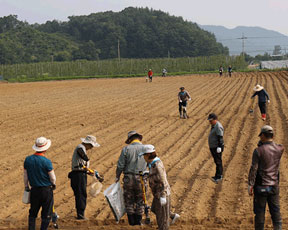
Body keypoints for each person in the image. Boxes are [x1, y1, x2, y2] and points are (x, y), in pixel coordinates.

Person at [248, 125, 283, 230]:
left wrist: (250, 184)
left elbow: (254, 169)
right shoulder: (280, 149)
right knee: (276, 212)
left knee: (259, 213)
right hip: (274, 185)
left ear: (263, 135)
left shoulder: (258, 151)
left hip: (261, 186)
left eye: (260, 136)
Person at [140, 145, 180, 230]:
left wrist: (163, 195)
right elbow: (155, 175)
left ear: (148, 155)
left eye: (144, 155)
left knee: (162, 219)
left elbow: (163, 181)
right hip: (157, 194)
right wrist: (147, 173)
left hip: (162, 194)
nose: (143, 157)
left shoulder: (157, 166)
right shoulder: (153, 164)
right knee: (155, 209)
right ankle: (172, 216)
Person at [24, 137, 56, 230]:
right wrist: (53, 184)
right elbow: (53, 177)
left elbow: (25, 175)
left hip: (34, 190)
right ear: (45, 148)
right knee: (46, 213)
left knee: (33, 212)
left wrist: (26, 186)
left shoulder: (28, 159)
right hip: (46, 190)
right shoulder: (46, 161)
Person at [115, 131, 147, 226]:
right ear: (139, 138)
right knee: (140, 200)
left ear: (130, 140)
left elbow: (120, 165)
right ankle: (138, 222)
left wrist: (117, 176)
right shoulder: (145, 149)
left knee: (129, 200)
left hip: (128, 178)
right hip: (141, 178)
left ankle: (131, 223)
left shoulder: (126, 149)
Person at [69, 135, 102, 220]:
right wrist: (86, 158)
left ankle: (81, 213)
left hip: (81, 173)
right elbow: (80, 152)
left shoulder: (83, 149)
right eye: (91, 146)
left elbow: (84, 167)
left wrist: (94, 174)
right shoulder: (80, 147)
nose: (91, 148)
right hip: (78, 175)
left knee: (81, 194)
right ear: (88, 143)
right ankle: (80, 215)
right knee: (81, 194)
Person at [208, 113, 224, 184]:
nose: (210, 122)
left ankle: (219, 176)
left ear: (215, 119)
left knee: (218, 161)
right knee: (216, 161)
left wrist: (219, 147)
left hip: (216, 147)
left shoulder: (218, 126)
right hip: (213, 147)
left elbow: (220, 137)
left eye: (211, 120)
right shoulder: (214, 125)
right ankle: (216, 175)